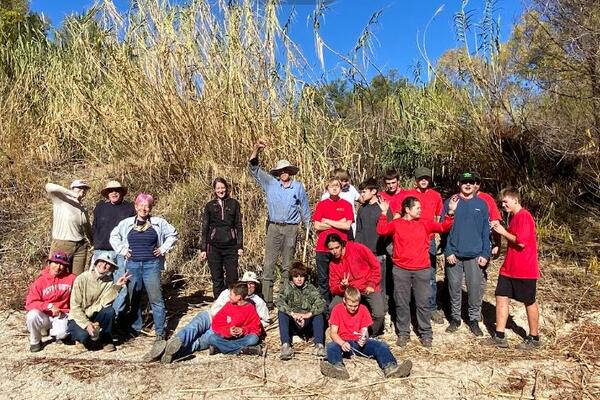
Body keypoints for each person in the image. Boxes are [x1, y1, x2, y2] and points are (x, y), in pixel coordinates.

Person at [377, 196, 458, 348]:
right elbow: (381, 230)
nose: (421, 210)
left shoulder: (425, 223)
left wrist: (451, 212)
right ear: (407, 209)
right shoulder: (396, 224)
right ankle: (403, 333)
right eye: (417, 208)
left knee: (423, 303)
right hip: (401, 270)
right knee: (402, 303)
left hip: (422, 270)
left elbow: (443, 227)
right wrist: (383, 213)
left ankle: (426, 334)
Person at [146, 272, 269, 363]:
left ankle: (170, 354)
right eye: (247, 283)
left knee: (200, 343)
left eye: (252, 284)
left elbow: (261, 323)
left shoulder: (257, 302)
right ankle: (176, 341)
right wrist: (227, 326)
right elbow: (215, 311)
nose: (249, 286)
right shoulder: (228, 294)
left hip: (224, 333)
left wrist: (242, 330)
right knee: (193, 328)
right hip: (212, 320)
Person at [248, 140, 311, 307]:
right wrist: (256, 149)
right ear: (278, 172)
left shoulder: (298, 187)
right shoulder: (270, 183)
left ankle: (285, 299)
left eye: (286, 170)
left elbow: (304, 206)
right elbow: (253, 168)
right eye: (281, 170)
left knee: (287, 265)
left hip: (291, 228)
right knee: (269, 264)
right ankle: (267, 301)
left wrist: (308, 225)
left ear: (290, 172)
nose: (284, 173)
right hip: (274, 227)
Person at [109, 193, 178, 342]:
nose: (144, 208)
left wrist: (163, 249)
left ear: (151, 208)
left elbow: (173, 234)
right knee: (134, 298)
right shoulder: (126, 223)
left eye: (147, 206)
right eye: (141, 205)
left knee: (156, 299)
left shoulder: (158, 222)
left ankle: (160, 332)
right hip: (133, 264)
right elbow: (114, 236)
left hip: (151, 265)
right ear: (136, 207)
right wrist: (123, 251)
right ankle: (135, 328)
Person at [487, 188, 541, 349]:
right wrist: (499, 244)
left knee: (529, 301)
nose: (503, 205)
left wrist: (503, 232)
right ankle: (500, 336)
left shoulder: (524, 216)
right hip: (509, 267)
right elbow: (513, 239)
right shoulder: (515, 218)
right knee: (501, 296)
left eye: (505, 201)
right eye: (502, 202)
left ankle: (534, 337)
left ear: (515, 200)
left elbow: (522, 242)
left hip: (524, 268)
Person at [320, 286, 413, 380]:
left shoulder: (363, 309)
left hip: (357, 342)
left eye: (355, 306)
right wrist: (342, 343)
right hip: (343, 342)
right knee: (331, 346)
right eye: (350, 306)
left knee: (381, 345)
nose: (353, 308)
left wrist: (364, 338)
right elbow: (333, 333)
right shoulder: (337, 309)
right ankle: (338, 368)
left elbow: (365, 331)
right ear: (344, 300)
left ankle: (390, 368)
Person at [443, 172, 491, 337]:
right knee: (454, 288)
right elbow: (444, 229)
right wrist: (448, 250)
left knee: (474, 289)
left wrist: (485, 253)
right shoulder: (451, 202)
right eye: (465, 182)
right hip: (454, 254)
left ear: (475, 184)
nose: (468, 185)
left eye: (471, 182)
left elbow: (486, 231)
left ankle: (474, 320)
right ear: (459, 183)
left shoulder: (482, 204)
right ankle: (455, 319)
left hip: (475, 255)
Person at [404, 167, 444, 324]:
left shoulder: (436, 195)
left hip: (429, 240)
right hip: (411, 240)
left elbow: (439, 216)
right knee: (410, 275)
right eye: (421, 178)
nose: (424, 180)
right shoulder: (409, 195)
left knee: (430, 275)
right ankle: (414, 307)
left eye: (426, 178)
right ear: (416, 180)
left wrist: (440, 237)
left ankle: (431, 308)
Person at [67, 253, 130, 351]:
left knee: (109, 311)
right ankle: (80, 339)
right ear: (96, 263)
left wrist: (117, 286)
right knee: (85, 338)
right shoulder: (81, 279)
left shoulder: (108, 282)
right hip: (78, 317)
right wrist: (86, 324)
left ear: (111, 268)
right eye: (102, 262)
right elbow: (75, 307)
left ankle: (106, 339)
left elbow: (105, 302)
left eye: (108, 264)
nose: (104, 265)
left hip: (94, 314)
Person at [326, 234, 385, 336]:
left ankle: (369, 335)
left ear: (342, 245)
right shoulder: (333, 264)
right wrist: (342, 287)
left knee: (379, 314)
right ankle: (344, 333)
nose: (334, 251)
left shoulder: (357, 248)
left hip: (367, 286)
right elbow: (333, 288)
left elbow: (375, 266)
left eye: (337, 247)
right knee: (333, 307)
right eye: (331, 249)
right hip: (349, 290)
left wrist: (372, 283)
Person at [199, 177, 243, 299]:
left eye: (222, 187)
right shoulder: (209, 206)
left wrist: (240, 246)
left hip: (231, 247)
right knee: (217, 277)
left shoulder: (234, 204)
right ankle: (219, 304)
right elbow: (205, 228)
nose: (220, 190)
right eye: (218, 188)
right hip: (213, 247)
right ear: (214, 190)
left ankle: (232, 303)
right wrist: (203, 249)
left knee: (232, 277)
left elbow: (238, 225)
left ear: (226, 188)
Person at [25, 251, 77, 352]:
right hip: (44, 315)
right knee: (32, 315)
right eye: (56, 263)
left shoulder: (71, 278)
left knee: (63, 334)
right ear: (49, 263)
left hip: (61, 314)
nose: (58, 267)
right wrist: (48, 306)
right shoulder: (40, 281)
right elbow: (30, 303)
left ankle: (54, 332)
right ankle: (35, 341)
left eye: (62, 265)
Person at [313, 178, 354, 305]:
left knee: (343, 278)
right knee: (323, 281)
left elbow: (347, 226)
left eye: (337, 186)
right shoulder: (321, 204)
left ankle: (342, 307)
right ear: (327, 189)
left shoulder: (346, 205)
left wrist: (328, 221)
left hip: (341, 248)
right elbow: (317, 226)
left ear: (341, 188)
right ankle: (325, 313)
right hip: (323, 249)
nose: (334, 188)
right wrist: (338, 223)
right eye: (331, 186)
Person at [276, 262, 326, 360]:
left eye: (301, 276)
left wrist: (309, 314)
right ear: (292, 277)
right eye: (296, 276)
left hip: (307, 322)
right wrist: (292, 314)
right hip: (293, 322)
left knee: (319, 315)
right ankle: (286, 345)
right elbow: (279, 301)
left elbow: (321, 303)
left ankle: (319, 345)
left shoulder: (311, 288)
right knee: (282, 313)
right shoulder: (287, 288)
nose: (299, 279)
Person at [45, 180, 93, 275]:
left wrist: (93, 243)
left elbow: (87, 227)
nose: (82, 190)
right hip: (62, 244)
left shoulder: (83, 209)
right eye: (79, 187)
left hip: (80, 247)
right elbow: (49, 186)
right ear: (72, 188)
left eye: (84, 188)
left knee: (76, 277)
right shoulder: (61, 200)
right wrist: (72, 194)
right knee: (55, 274)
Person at [207, 282, 263, 355]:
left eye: (231, 294)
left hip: (242, 337)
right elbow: (216, 324)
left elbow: (256, 328)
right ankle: (243, 350)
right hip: (227, 337)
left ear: (239, 297)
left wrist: (243, 330)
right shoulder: (228, 305)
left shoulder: (250, 308)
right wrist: (228, 331)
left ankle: (220, 348)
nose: (229, 296)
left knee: (253, 339)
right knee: (212, 338)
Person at [355, 178, 388, 293]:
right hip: (364, 253)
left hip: (378, 253)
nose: (361, 194)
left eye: (364, 191)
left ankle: (382, 309)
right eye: (361, 192)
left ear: (373, 191)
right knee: (364, 282)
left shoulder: (382, 208)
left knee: (380, 284)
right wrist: (357, 249)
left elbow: (388, 230)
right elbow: (358, 231)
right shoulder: (362, 209)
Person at [91, 180, 135, 263]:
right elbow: (94, 226)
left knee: (120, 275)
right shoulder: (100, 206)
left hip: (122, 251)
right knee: (101, 275)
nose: (114, 193)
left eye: (117, 190)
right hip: (102, 250)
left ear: (122, 192)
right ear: (107, 194)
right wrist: (95, 243)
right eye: (111, 191)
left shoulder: (130, 208)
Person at [321, 168, 360, 238]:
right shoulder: (326, 196)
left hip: (350, 229)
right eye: (342, 181)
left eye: (346, 180)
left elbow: (361, 199)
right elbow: (321, 220)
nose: (345, 183)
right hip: (332, 232)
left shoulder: (351, 189)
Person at [472, 172, 503, 257]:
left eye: (477, 182)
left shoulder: (487, 199)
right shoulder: (456, 199)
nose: (475, 185)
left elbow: (495, 222)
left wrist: (497, 245)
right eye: (472, 182)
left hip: (482, 245)